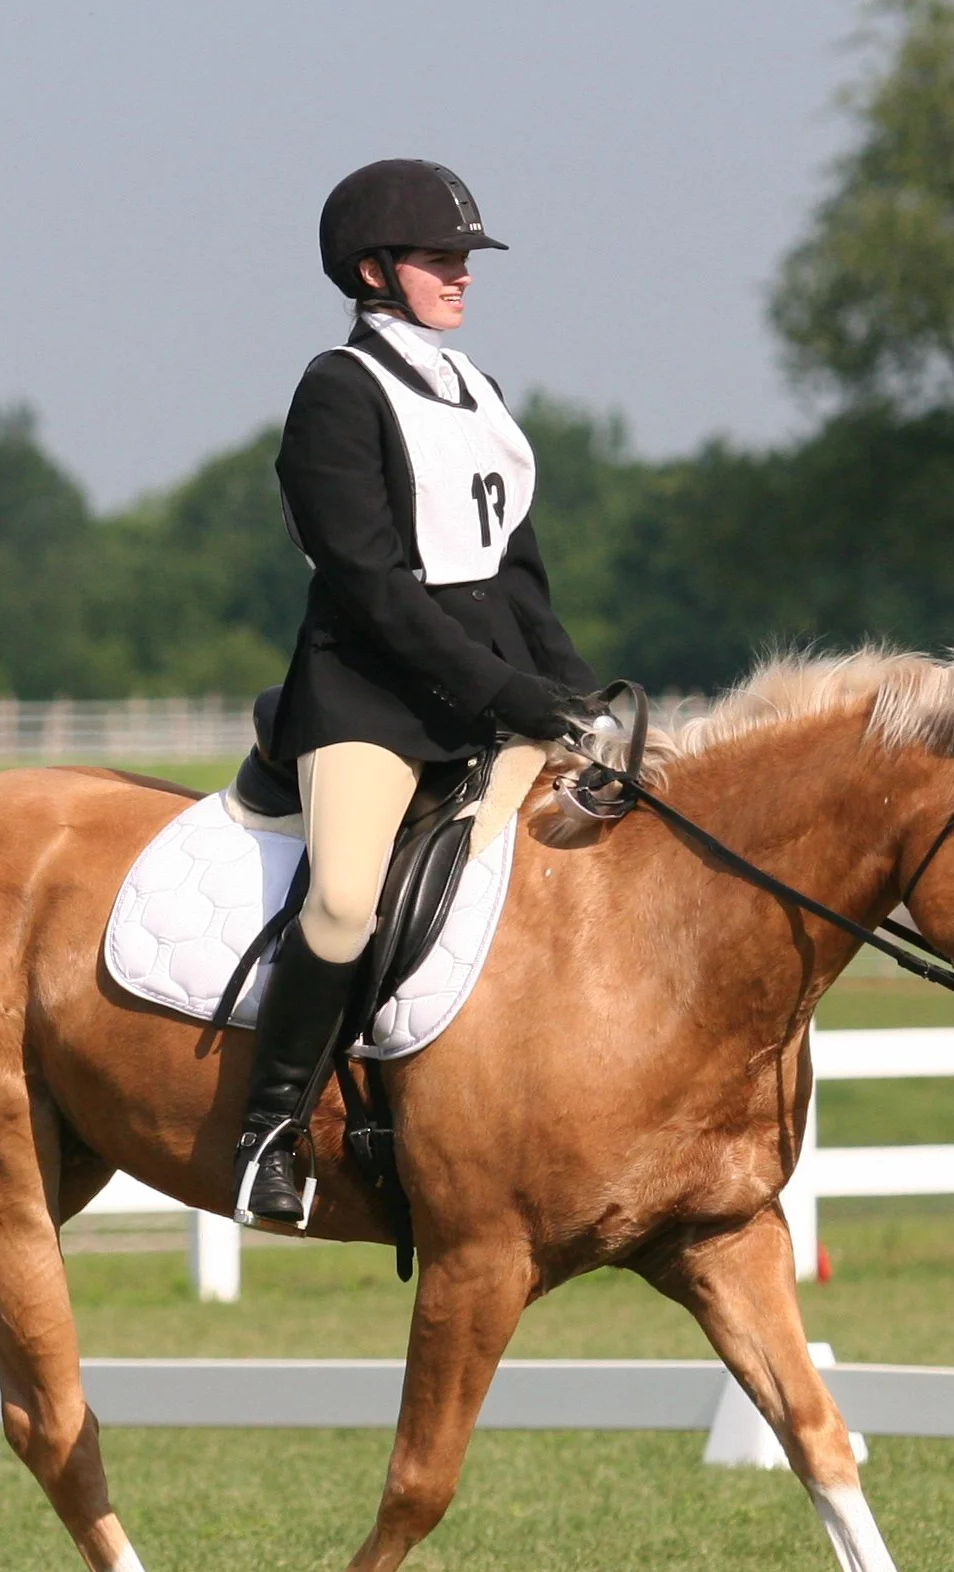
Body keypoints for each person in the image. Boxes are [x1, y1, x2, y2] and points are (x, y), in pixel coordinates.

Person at [231, 157, 600, 1226]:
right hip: (370, 700)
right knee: (346, 897)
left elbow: (514, 570)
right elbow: (374, 588)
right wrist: (506, 693)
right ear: (373, 269)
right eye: (441, 258)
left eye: (464, 258)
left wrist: (574, 693)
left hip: (492, 693)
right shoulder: (336, 393)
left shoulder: (473, 391)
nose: (461, 274)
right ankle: (269, 1130)